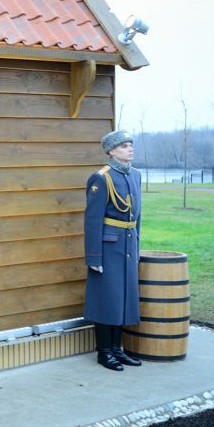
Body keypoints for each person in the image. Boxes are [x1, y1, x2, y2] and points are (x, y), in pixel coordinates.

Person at [84, 130, 143, 372]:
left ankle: (118, 350)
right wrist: (94, 256)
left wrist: (137, 245)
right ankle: (105, 352)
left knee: (123, 298)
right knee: (107, 299)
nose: (130, 149)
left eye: (130, 145)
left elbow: (138, 215)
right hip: (108, 247)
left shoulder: (136, 175)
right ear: (111, 151)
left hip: (128, 244)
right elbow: (92, 220)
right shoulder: (101, 178)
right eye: (124, 146)